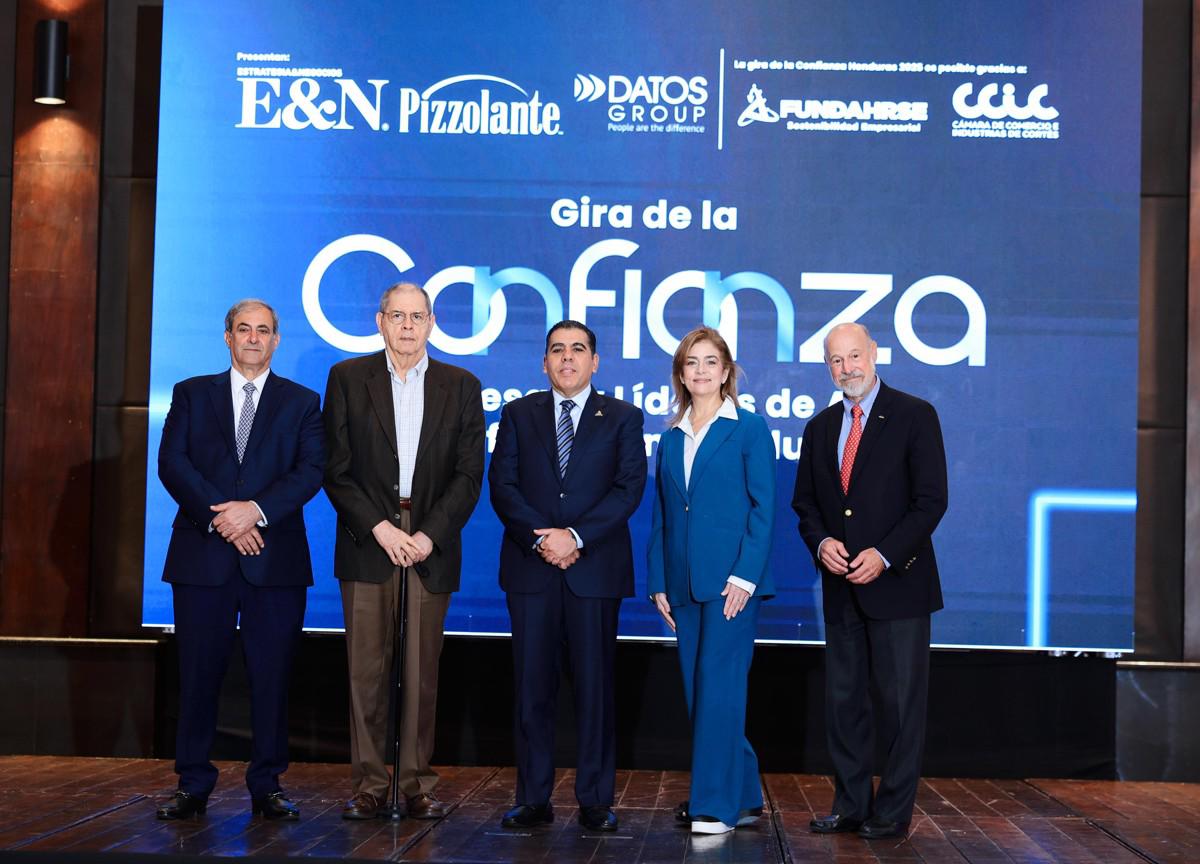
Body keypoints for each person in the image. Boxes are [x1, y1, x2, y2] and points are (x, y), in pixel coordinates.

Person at [156, 299, 325, 821]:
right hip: (202, 557)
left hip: (274, 563)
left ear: (276, 340)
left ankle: (267, 784)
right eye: (244, 329)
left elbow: (311, 471)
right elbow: (172, 463)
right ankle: (192, 783)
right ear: (227, 336)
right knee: (197, 676)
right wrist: (224, 517)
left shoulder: (302, 401)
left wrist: (254, 512)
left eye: (263, 330)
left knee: (271, 678)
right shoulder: (190, 393)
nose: (254, 338)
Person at [323, 282, 485, 821]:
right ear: (380, 322)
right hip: (369, 535)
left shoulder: (462, 385)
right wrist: (381, 528)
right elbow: (336, 469)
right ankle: (369, 784)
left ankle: (416, 783)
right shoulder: (347, 378)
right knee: (365, 673)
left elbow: (469, 474)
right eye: (398, 316)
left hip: (429, 539)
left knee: (421, 673)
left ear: (432, 323)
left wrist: (428, 534)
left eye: (418, 316)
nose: (408, 326)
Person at [489, 320, 647, 833]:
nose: (567, 358)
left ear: (595, 361)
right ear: (544, 362)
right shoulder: (517, 414)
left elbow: (628, 489)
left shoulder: (623, 417)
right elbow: (503, 486)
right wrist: (542, 540)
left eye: (578, 349)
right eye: (557, 349)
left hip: (593, 571)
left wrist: (575, 537)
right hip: (531, 570)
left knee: (595, 690)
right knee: (532, 689)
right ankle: (533, 798)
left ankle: (595, 799)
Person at [791, 322, 948, 840]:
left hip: (899, 586)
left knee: (901, 709)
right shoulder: (819, 428)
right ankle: (851, 806)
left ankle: (892, 812)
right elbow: (806, 504)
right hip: (841, 590)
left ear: (874, 354)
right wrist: (821, 543)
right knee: (845, 705)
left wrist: (884, 555)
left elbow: (931, 501)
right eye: (836, 360)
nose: (847, 368)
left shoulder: (915, 415)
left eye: (854, 356)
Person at [646, 326, 776, 835]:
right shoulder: (670, 436)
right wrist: (658, 579)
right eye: (691, 362)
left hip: (731, 586)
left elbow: (764, 509)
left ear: (726, 372)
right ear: (681, 374)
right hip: (682, 585)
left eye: (710, 362)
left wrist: (745, 576)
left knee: (720, 690)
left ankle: (713, 806)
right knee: (700, 694)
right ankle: (743, 793)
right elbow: (663, 515)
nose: (700, 370)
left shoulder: (749, 428)